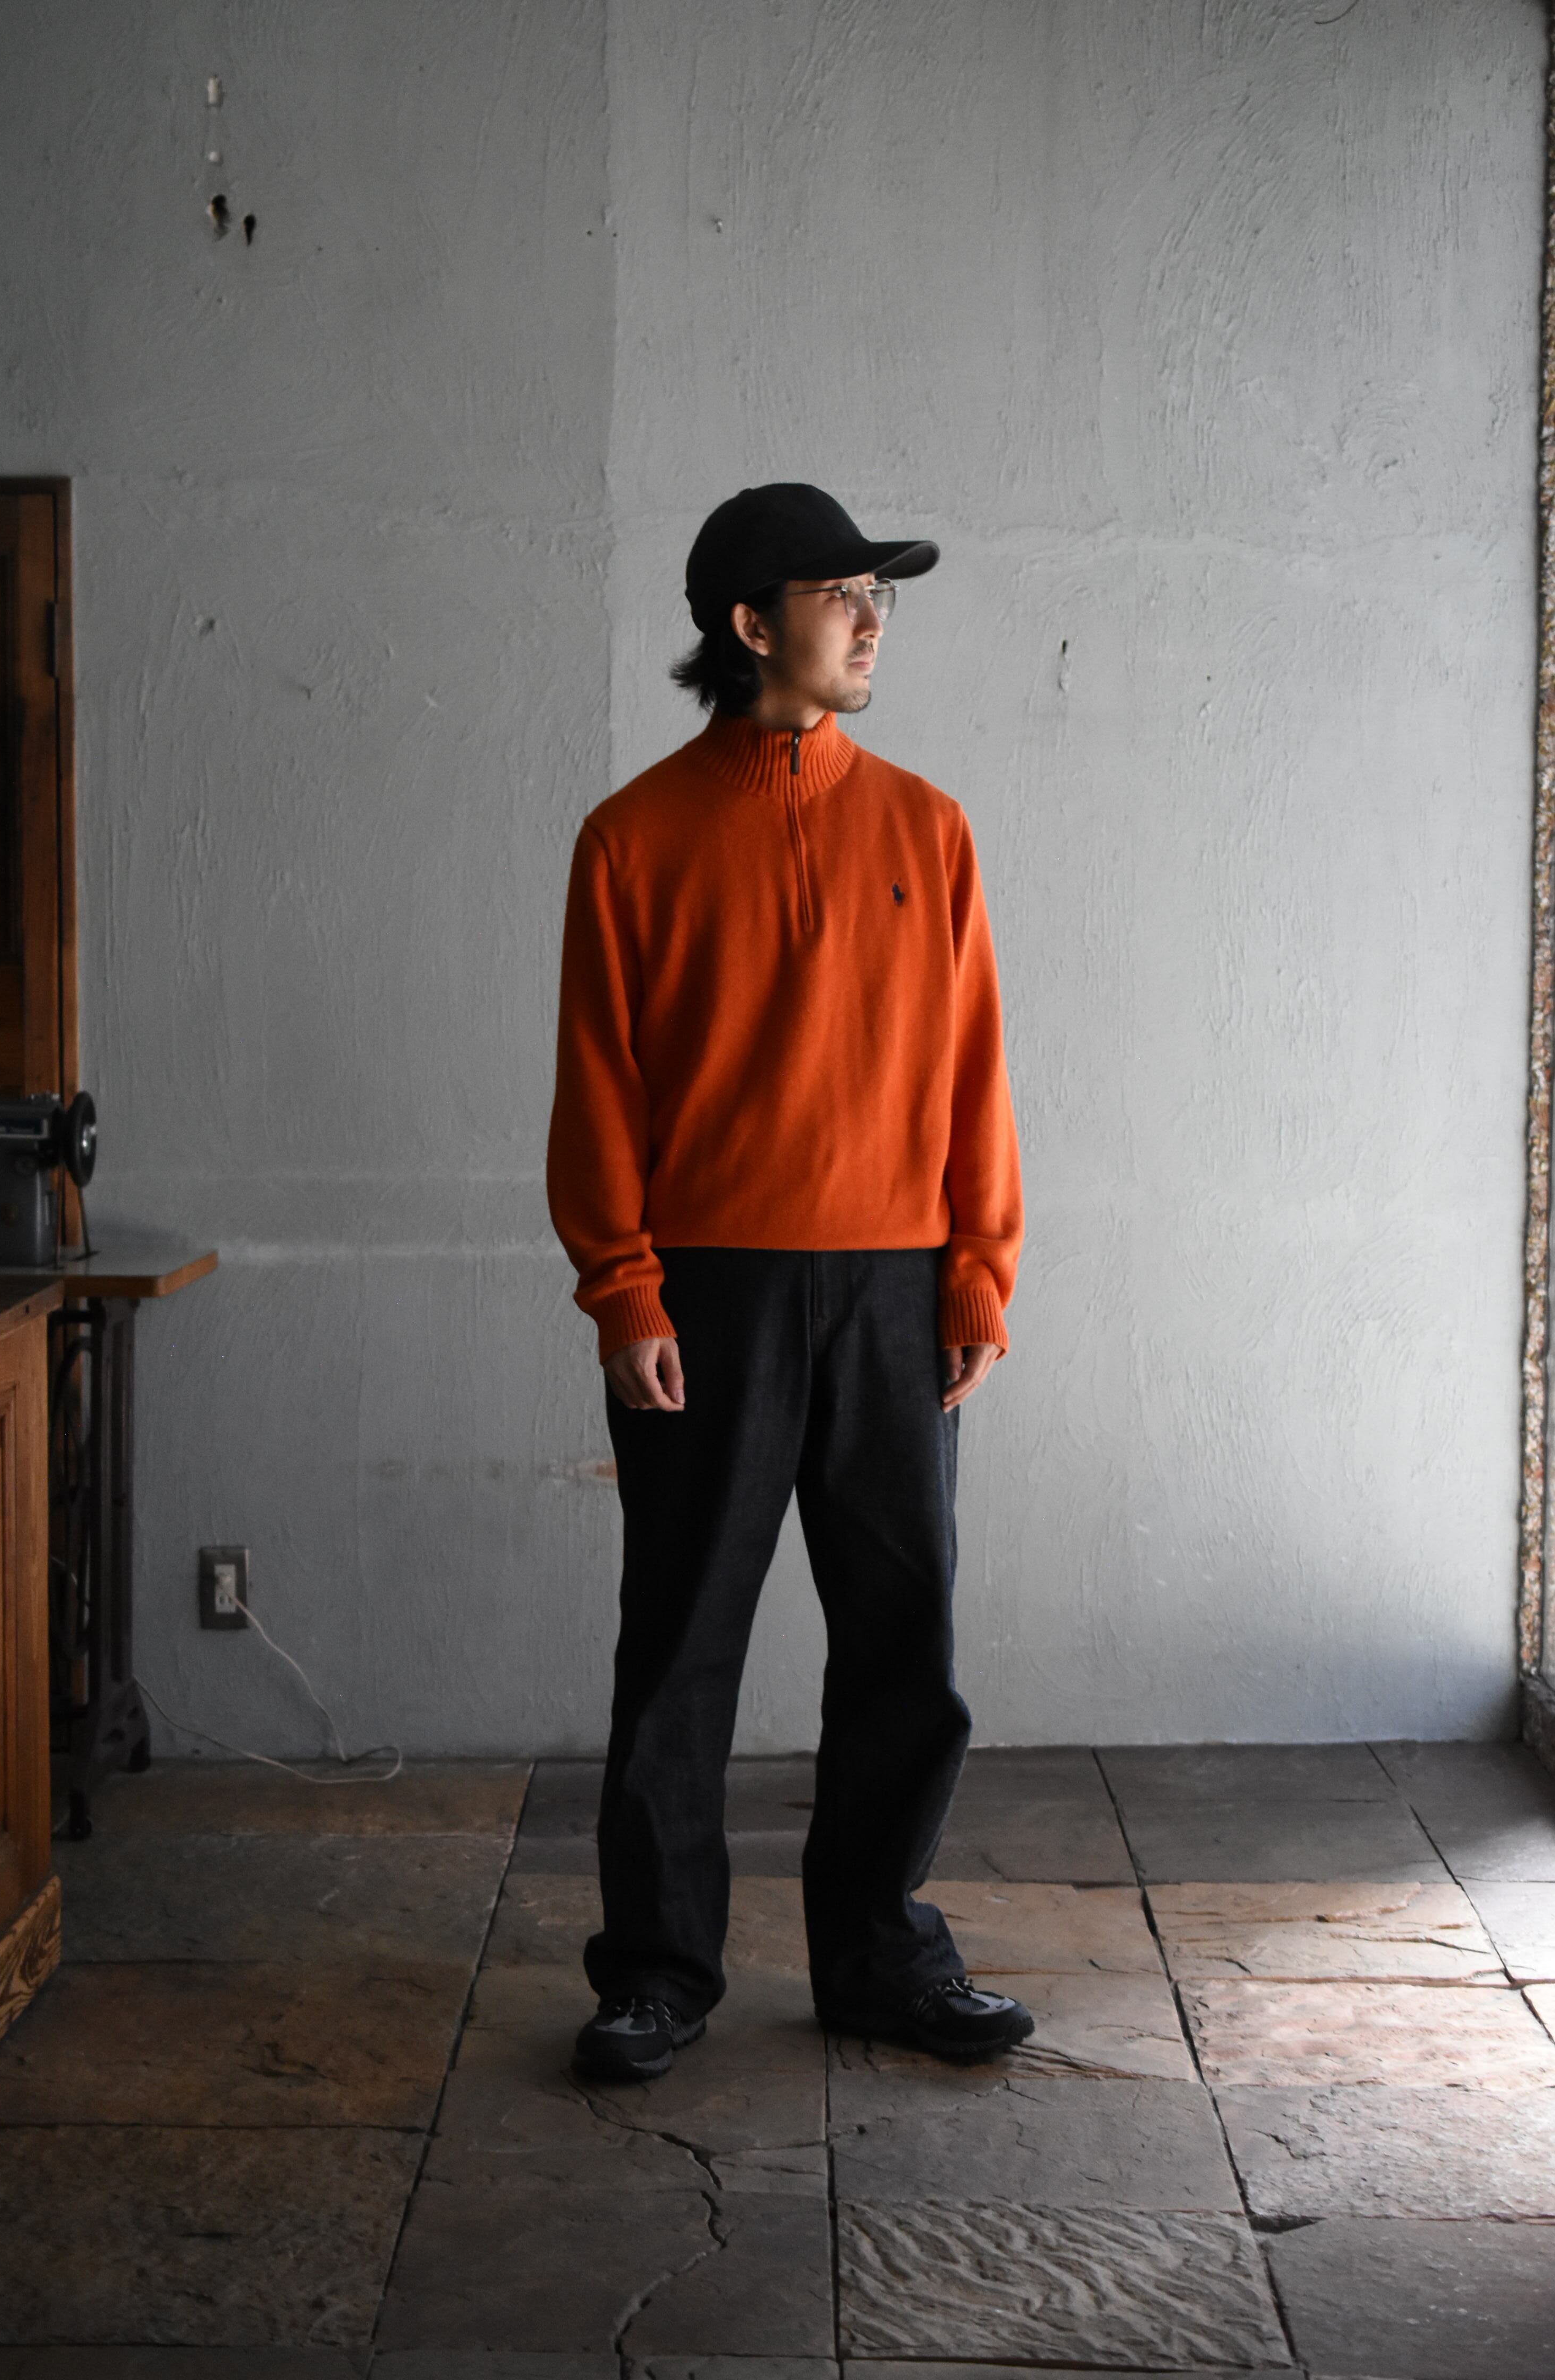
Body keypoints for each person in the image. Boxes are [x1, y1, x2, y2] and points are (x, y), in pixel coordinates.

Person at [546, 482, 1030, 2082]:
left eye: (882, 594)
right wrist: (625, 1293)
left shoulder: (930, 827)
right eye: (842, 594)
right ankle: (658, 1971)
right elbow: (599, 1086)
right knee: (680, 1644)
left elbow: (974, 1069)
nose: (874, 619)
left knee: (905, 1640)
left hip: (896, 1291)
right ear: (753, 626)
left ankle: (882, 1955)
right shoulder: (631, 838)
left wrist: (978, 1272)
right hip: (709, 1297)